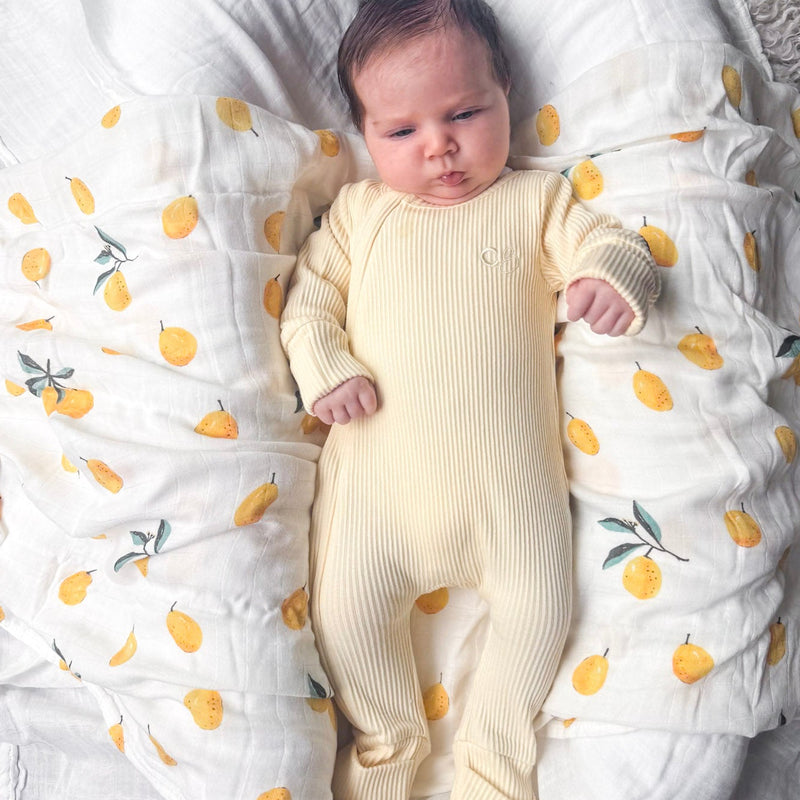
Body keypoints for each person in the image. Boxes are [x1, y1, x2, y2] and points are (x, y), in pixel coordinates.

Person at [280, 1, 660, 797]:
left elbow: (610, 243)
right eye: (401, 132)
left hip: (512, 504)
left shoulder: (535, 202)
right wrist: (326, 367)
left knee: (540, 615)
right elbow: (307, 300)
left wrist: (606, 278)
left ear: (506, 92)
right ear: (364, 136)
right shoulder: (360, 216)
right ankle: (386, 753)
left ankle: (494, 765)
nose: (439, 145)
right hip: (377, 505)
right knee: (347, 621)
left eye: (464, 112)